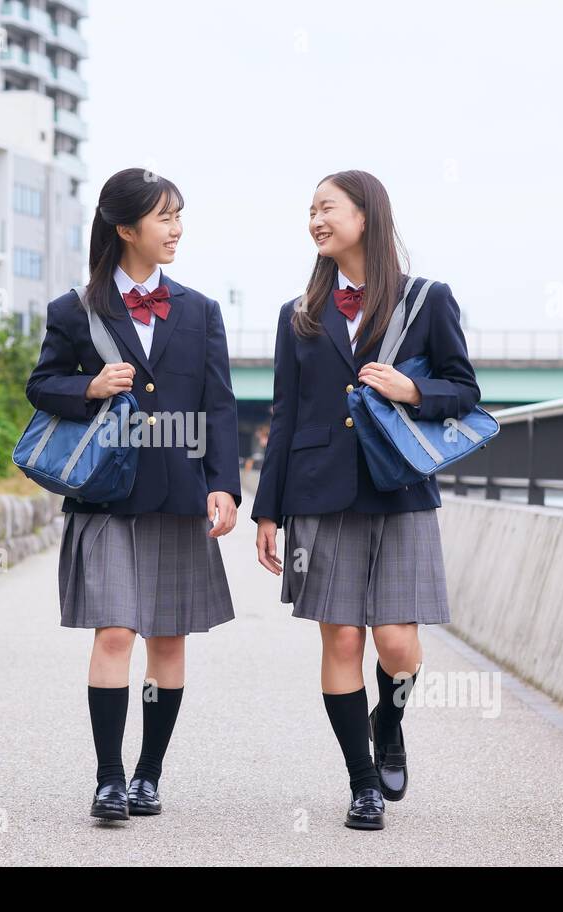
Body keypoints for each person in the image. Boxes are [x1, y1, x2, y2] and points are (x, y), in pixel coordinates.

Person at [251, 169, 480, 830]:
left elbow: (464, 390)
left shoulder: (428, 300)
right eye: (311, 211)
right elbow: (286, 415)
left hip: (399, 489)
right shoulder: (298, 316)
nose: (316, 220)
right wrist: (269, 509)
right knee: (343, 635)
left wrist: (414, 393)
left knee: (399, 645)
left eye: (326, 207)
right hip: (321, 494)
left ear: (366, 215)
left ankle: (391, 718)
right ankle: (361, 784)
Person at [25, 168, 242, 821]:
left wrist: (225, 485)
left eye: (180, 216)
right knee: (116, 630)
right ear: (126, 229)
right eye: (164, 217)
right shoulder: (74, 310)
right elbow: (42, 385)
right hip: (107, 494)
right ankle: (108, 778)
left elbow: (221, 406)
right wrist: (87, 389)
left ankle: (149, 775)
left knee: (168, 640)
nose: (176, 229)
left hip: (179, 493)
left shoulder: (201, 310)